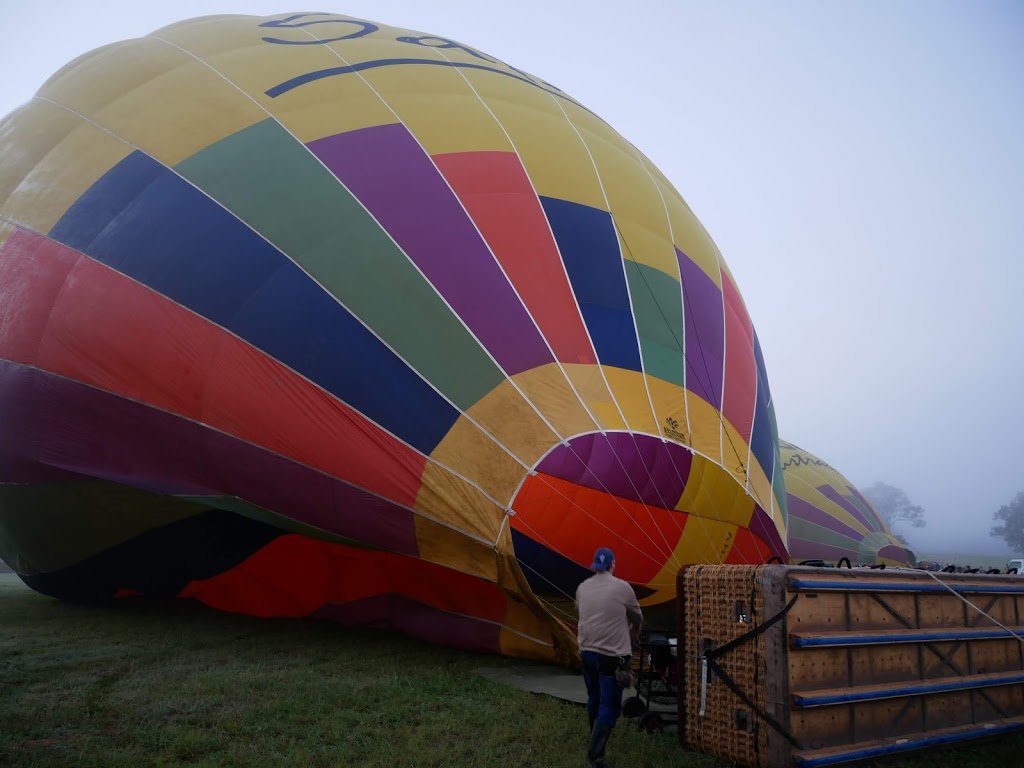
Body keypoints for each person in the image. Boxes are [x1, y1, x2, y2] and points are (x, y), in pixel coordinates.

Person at [576, 547, 643, 768]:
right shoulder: (623, 588)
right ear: (612, 564)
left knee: (593, 697)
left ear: (594, 566)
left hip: (586, 652)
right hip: (612, 656)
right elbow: (637, 617)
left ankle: (592, 738)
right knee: (610, 706)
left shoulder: (583, 587)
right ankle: (595, 758)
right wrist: (633, 630)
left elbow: (582, 611)